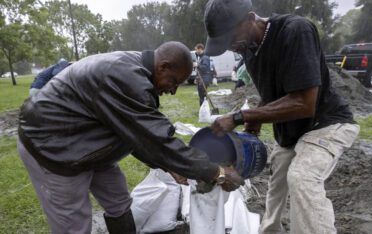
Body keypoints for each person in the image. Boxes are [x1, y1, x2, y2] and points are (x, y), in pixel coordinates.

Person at [17, 41, 244, 234]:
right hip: (52, 147)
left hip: (85, 142)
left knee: (118, 199)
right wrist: (218, 173)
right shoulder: (125, 75)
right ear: (163, 67)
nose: (173, 90)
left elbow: (135, 133)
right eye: (174, 82)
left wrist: (170, 167)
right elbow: (157, 139)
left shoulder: (136, 72)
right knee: (73, 223)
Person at [203, 0, 360, 233]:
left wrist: (239, 117)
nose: (230, 47)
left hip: (325, 122)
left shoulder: (295, 31)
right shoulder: (250, 51)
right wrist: (247, 138)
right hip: (292, 131)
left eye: (230, 38)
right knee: (277, 183)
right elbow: (271, 97)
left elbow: (304, 103)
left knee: (301, 177)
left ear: (250, 19)